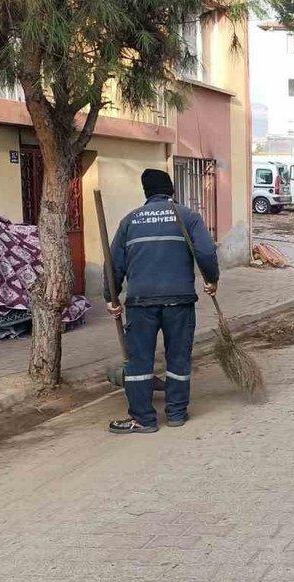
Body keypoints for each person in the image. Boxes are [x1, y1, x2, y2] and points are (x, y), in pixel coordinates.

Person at [104, 169, 219, 434]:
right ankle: (177, 413)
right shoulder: (187, 217)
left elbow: (114, 265)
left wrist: (111, 298)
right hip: (179, 302)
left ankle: (143, 419)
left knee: (139, 361)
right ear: (172, 191)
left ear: (145, 193)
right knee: (178, 358)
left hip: (140, 302)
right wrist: (211, 279)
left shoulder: (130, 221)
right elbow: (206, 252)